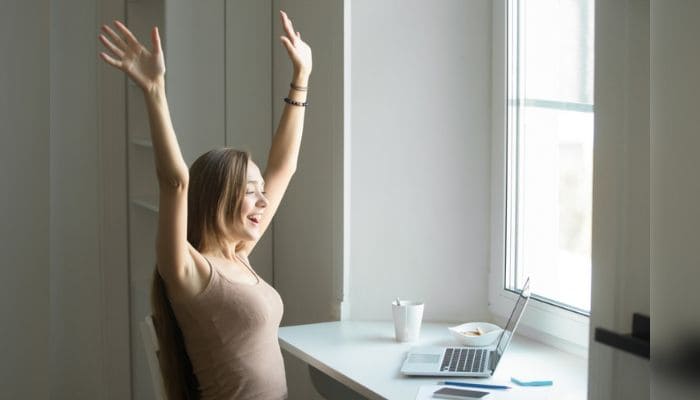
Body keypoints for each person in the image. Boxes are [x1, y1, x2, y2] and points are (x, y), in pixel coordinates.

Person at [98, 10, 312, 400]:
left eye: (260, 190)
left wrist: (302, 77)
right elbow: (176, 181)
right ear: (215, 199)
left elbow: (285, 167)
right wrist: (153, 89)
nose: (263, 200)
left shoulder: (240, 252)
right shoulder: (190, 272)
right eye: (249, 191)